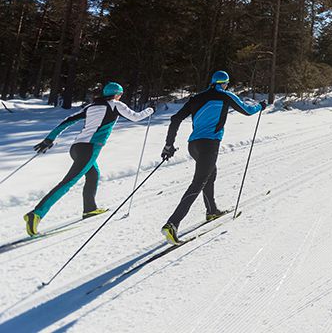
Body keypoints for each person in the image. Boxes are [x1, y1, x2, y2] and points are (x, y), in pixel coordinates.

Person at [24, 82, 154, 236]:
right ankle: (37, 213)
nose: (120, 96)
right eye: (120, 94)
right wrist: (151, 109)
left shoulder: (91, 107)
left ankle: (90, 209)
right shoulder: (116, 104)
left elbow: (67, 121)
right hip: (90, 148)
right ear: (117, 94)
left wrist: (49, 139)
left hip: (76, 148)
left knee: (93, 174)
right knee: (67, 183)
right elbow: (136, 117)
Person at [160, 70, 265, 244]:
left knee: (211, 173)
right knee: (198, 182)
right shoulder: (225, 96)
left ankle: (212, 211)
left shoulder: (196, 98)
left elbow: (175, 119)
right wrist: (260, 106)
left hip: (193, 145)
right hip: (209, 144)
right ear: (224, 83)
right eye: (226, 84)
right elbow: (247, 111)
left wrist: (169, 145)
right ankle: (172, 223)